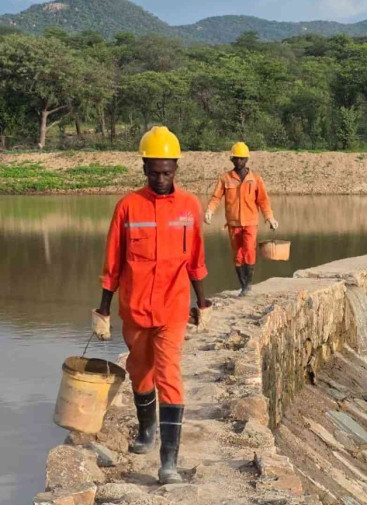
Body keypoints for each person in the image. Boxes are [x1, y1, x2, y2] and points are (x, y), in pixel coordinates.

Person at [91, 126, 211, 485]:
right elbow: (113, 263)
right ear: (144, 168)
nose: (160, 179)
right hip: (136, 308)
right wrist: (103, 310)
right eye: (154, 172)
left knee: (169, 375)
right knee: (140, 371)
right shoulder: (128, 207)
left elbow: (196, 259)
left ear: (176, 169)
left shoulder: (189, 206)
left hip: (173, 308)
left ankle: (168, 462)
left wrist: (202, 301)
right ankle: (146, 430)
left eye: (167, 172)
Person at [204, 142, 278, 297]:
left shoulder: (255, 179)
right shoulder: (225, 178)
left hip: (250, 222)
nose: (238, 161)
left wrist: (270, 217)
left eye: (241, 158)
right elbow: (216, 197)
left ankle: (248, 284)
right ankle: (243, 285)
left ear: (246, 159)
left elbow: (263, 201)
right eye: (236, 158)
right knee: (237, 255)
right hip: (233, 223)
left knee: (249, 250)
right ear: (232, 159)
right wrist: (210, 210)